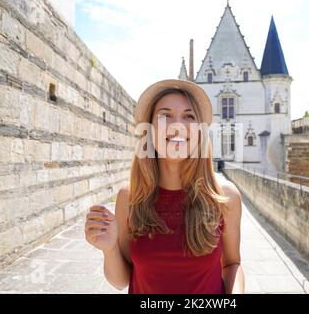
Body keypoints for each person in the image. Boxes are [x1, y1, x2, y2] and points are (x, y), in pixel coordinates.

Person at [84, 79, 245, 294]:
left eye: (189, 116)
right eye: (165, 115)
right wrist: (110, 249)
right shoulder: (129, 197)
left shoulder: (225, 197)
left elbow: (232, 265)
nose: (177, 125)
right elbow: (122, 280)